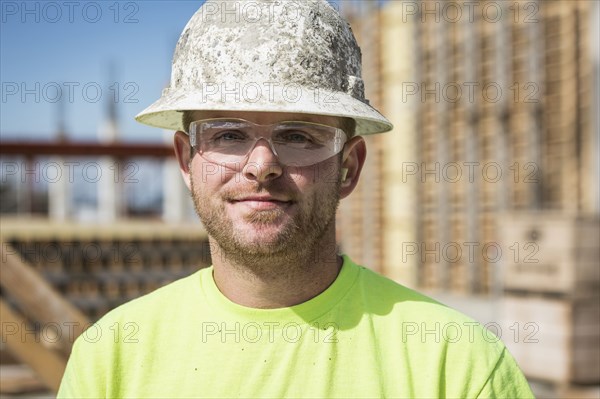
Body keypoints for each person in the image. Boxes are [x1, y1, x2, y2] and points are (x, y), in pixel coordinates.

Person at [58, 1, 534, 397]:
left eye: (299, 135)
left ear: (349, 166)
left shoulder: (456, 366)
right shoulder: (112, 360)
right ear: (187, 161)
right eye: (227, 134)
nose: (261, 164)